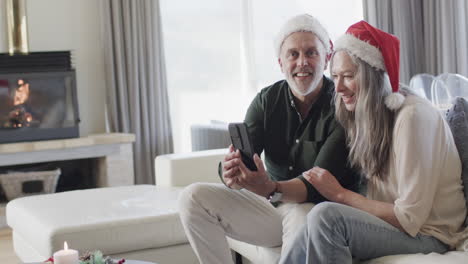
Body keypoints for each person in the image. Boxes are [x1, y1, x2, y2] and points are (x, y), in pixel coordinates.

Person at [279, 20, 468, 264]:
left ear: (373, 77)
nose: (338, 88)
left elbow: (409, 218)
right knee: (315, 218)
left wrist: (339, 194)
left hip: (432, 233)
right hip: (399, 226)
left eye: (348, 76)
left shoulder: (412, 117)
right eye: (335, 76)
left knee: (327, 217)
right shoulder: (367, 116)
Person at [178, 14, 360, 264]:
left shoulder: (342, 107)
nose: (302, 62)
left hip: (316, 210)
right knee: (192, 197)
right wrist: (231, 173)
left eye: (311, 53)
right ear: (280, 62)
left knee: (304, 216)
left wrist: (269, 188)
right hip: (272, 207)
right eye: (293, 54)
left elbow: (317, 185)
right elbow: (242, 159)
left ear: (327, 57)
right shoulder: (267, 100)